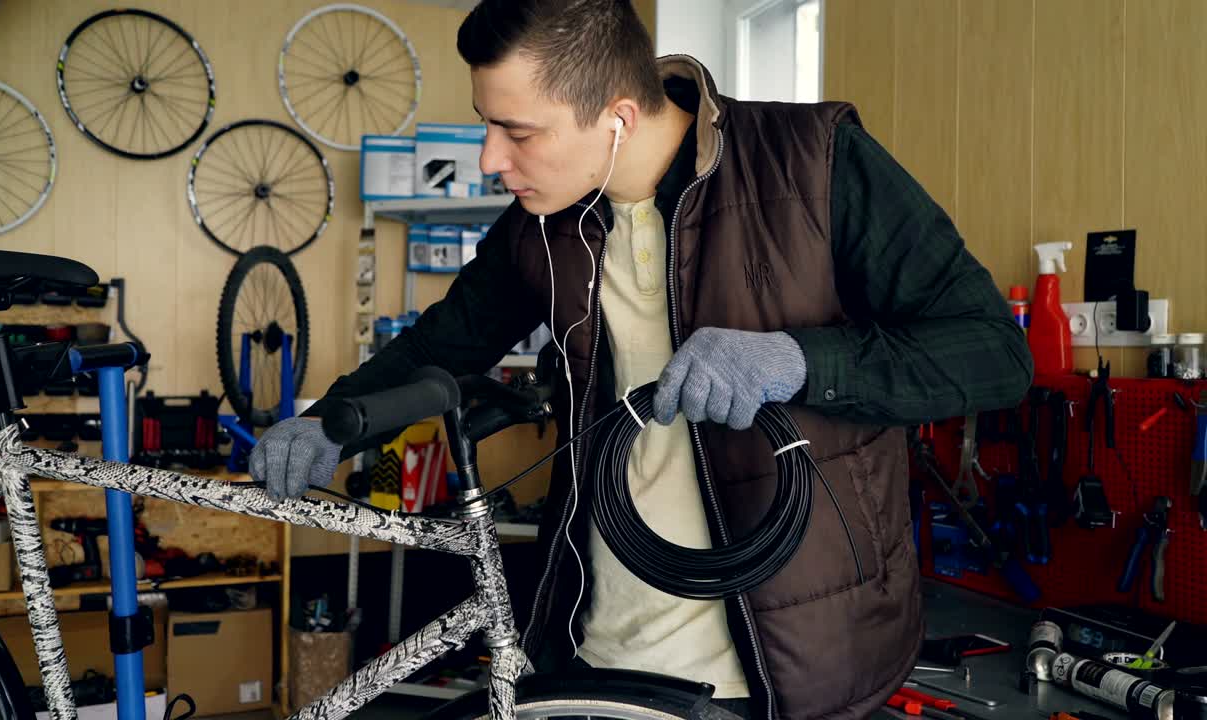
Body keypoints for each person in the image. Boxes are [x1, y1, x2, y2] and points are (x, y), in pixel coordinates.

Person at [248, 1, 1033, 718]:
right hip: (597, 641)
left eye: (518, 132)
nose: (491, 159)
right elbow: (442, 345)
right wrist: (327, 424)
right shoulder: (543, 224)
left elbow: (993, 354)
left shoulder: (814, 163)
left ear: (618, 117)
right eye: (490, 124)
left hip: (795, 661)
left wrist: (796, 359)